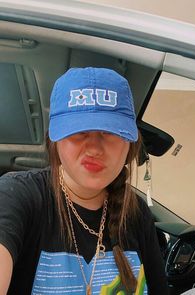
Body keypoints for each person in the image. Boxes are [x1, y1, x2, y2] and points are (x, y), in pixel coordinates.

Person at [0, 67, 169, 294]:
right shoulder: (17, 196)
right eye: (79, 131)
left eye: (109, 132)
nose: (94, 149)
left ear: (130, 143)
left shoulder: (136, 213)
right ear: (55, 139)